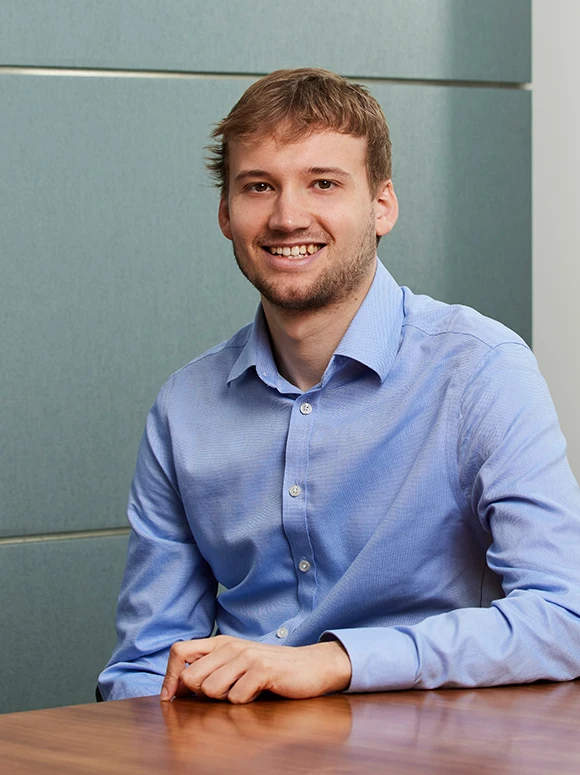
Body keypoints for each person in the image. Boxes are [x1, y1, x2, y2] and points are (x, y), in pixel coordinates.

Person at [98, 68, 580, 704]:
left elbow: (565, 616)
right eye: (258, 187)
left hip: (425, 748)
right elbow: (146, 663)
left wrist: (338, 662)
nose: (287, 215)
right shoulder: (184, 408)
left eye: (323, 183)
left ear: (382, 205)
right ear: (225, 213)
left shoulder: (479, 369)